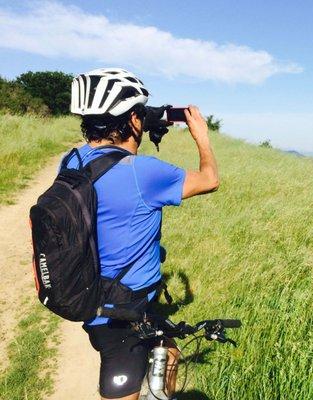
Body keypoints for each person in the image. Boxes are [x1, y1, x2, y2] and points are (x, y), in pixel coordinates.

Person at [65, 67, 219, 400]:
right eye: (139, 114)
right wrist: (201, 137)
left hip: (95, 292)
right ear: (133, 121)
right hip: (118, 314)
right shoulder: (144, 172)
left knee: (170, 351)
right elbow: (210, 180)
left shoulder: (72, 160)